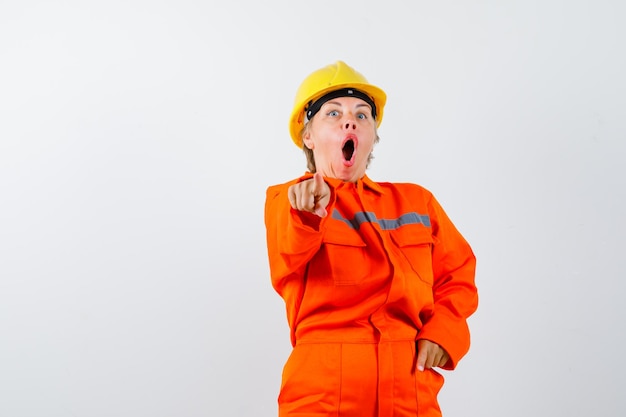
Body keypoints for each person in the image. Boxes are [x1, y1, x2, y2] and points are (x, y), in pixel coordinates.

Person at [264, 60, 478, 417]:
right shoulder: (289, 200)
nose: (350, 120)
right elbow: (288, 254)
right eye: (333, 113)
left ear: (372, 136)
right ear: (308, 135)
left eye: (362, 115)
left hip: (410, 388)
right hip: (322, 392)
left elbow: (458, 274)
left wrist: (445, 332)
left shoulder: (416, 201)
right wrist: (305, 215)